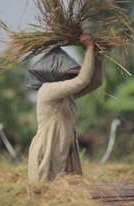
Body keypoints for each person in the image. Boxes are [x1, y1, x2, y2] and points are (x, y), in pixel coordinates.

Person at [27, 34, 103, 182]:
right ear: (55, 74)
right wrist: (89, 48)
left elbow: (95, 83)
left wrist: (98, 55)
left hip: (63, 152)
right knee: (47, 198)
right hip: (48, 151)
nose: (70, 78)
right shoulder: (47, 90)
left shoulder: (66, 97)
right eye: (67, 75)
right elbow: (82, 80)